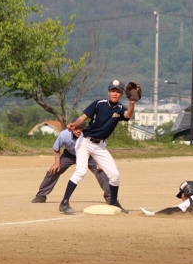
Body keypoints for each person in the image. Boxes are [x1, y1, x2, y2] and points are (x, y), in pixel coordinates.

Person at [58, 79, 136, 214]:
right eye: (113, 91)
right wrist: (74, 124)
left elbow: (128, 115)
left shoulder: (120, 109)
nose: (115, 93)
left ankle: (113, 202)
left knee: (115, 175)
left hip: (100, 146)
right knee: (81, 171)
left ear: (121, 94)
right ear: (108, 92)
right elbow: (83, 117)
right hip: (85, 142)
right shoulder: (99, 104)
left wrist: (132, 103)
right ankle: (64, 202)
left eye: (118, 92)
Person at [31, 123, 111, 204]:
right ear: (71, 128)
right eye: (76, 128)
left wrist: (99, 161)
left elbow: (99, 147)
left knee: (101, 171)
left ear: (85, 128)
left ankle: (110, 197)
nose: (78, 131)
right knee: (54, 170)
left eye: (81, 128)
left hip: (88, 155)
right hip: (69, 155)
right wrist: (57, 163)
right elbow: (56, 148)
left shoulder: (91, 134)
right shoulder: (64, 135)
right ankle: (41, 195)